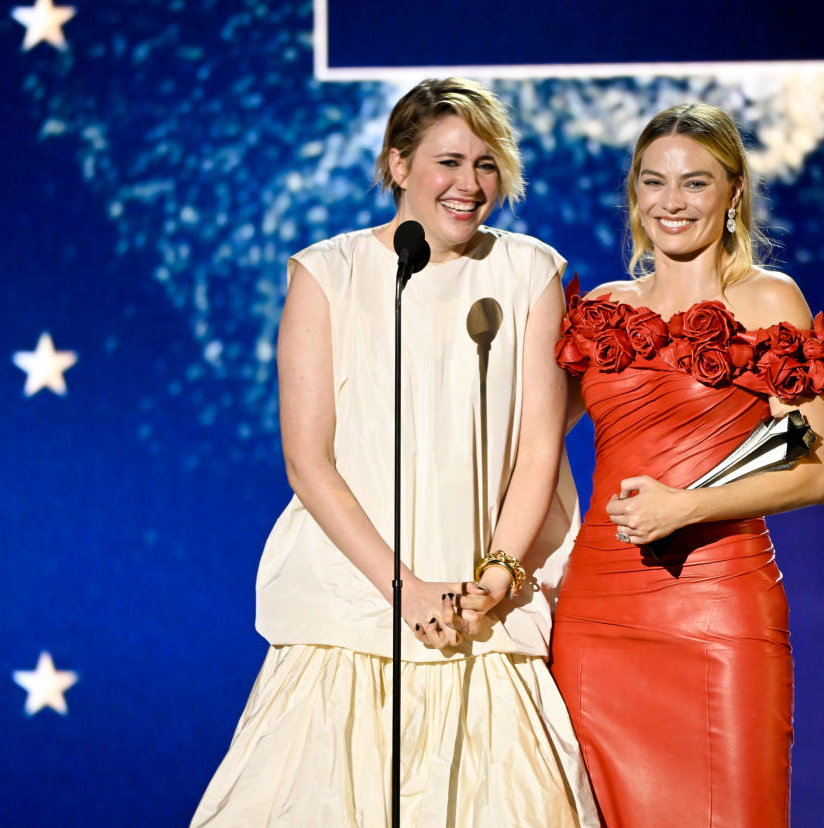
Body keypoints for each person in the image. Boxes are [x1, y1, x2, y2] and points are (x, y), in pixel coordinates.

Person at [192, 78, 597, 827]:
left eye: (485, 164)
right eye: (448, 161)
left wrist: (499, 576)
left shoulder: (530, 272)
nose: (469, 185)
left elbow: (539, 449)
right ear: (399, 165)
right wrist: (404, 589)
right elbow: (308, 461)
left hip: (484, 624)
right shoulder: (328, 274)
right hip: (351, 619)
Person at [550, 103, 824, 826]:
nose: (672, 202)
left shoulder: (768, 300)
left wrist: (683, 507)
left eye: (695, 183)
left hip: (717, 615)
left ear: (733, 192)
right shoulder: (605, 309)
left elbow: (811, 472)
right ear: (634, 193)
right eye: (653, 182)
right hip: (596, 619)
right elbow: (527, 438)